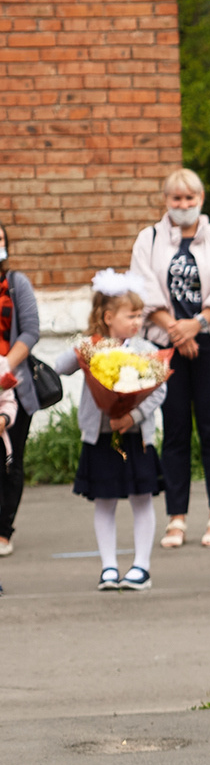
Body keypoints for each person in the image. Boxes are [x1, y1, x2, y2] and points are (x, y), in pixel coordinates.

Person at [131, 167, 210, 552]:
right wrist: (175, 332)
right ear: (166, 201)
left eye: (189, 198)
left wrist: (194, 327)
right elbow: (142, 290)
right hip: (165, 346)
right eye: (176, 199)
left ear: (201, 198)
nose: (183, 205)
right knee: (175, 431)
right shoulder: (148, 239)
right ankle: (176, 517)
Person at [61, 271, 166, 589]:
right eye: (130, 315)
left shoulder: (146, 347)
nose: (137, 321)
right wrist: (85, 346)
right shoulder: (92, 346)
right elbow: (60, 366)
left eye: (139, 315)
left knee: (141, 499)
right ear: (108, 317)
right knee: (104, 501)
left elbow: (160, 390)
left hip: (136, 438)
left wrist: (133, 416)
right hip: (101, 438)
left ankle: (141, 567)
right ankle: (108, 567)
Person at [0, 219, 38, 557]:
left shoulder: (16, 283)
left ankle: (3, 530)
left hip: (13, 386)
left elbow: (30, 331)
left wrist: (5, 365)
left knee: (9, 461)